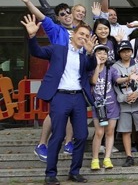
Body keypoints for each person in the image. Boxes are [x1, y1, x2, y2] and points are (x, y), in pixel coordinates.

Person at [22, 14, 95, 184]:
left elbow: (91, 67)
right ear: (73, 34)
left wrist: (91, 54)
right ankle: (50, 174)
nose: (83, 37)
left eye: (86, 35)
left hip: (78, 98)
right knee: (58, 135)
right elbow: (37, 52)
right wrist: (32, 36)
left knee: (82, 135)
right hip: (60, 96)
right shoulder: (57, 49)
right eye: (81, 34)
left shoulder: (85, 56)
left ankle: (74, 171)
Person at [111, 41, 138, 167]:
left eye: (128, 51)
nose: (126, 53)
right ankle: (129, 156)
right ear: (119, 53)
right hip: (124, 103)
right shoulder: (115, 67)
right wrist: (124, 97)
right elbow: (115, 85)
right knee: (126, 130)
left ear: (131, 52)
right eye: (123, 51)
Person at [89, 45, 119, 170]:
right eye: (99, 53)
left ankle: (107, 158)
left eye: (104, 53)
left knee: (110, 132)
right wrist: (97, 67)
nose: (102, 56)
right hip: (98, 106)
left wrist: (128, 78)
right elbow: (93, 82)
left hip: (112, 105)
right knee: (99, 132)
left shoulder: (111, 69)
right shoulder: (90, 70)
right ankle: (95, 159)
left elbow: (118, 80)